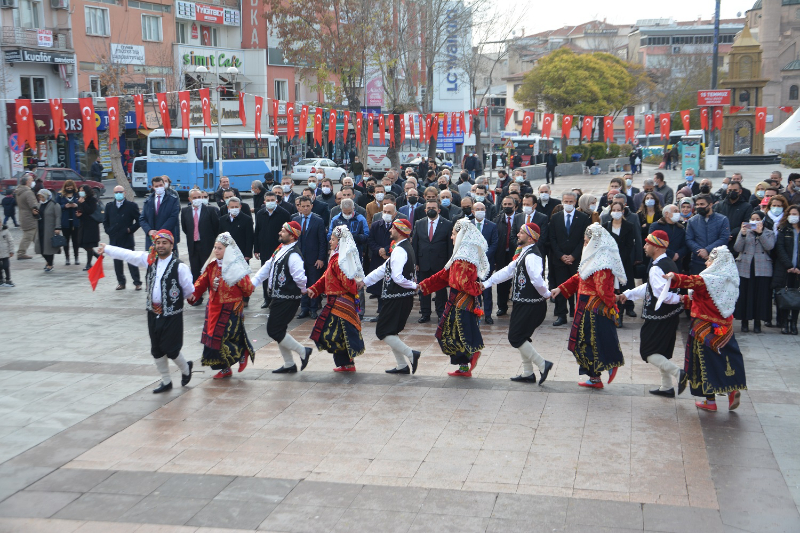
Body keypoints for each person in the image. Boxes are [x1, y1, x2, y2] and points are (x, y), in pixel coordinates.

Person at [98, 231, 194, 393]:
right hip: (152, 312)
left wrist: (176, 300)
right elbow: (129, 255)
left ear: (172, 245)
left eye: (164, 243)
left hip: (172, 314)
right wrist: (107, 249)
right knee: (156, 349)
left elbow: (189, 290)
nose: (161, 246)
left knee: (171, 348)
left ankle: (186, 369)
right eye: (158, 243)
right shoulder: (150, 260)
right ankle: (166, 381)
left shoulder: (180, 267)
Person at [663, 246, 746, 411]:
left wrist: (674, 277)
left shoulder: (710, 279)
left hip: (704, 329)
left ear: (718, 262)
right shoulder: (730, 279)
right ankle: (731, 389)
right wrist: (683, 299)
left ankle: (710, 402)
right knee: (725, 360)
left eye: (710, 260)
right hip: (724, 329)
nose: (707, 263)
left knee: (704, 365)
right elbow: (707, 300)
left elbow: (693, 281)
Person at [550, 223, 627, 388]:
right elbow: (580, 277)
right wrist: (560, 288)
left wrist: (612, 303)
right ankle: (594, 378)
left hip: (593, 310)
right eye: (584, 242)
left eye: (586, 242)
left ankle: (599, 373)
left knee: (588, 343)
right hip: (585, 305)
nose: (585, 245)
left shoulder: (602, 262)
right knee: (587, 343)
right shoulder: (592, 258)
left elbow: (603, 289)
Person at [482, 223, 554, 383]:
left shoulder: (532, 256)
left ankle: (543, 364)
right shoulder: (523, 253)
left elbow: (536, 279)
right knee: (521, 336)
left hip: (532, 304)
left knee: (515, 337)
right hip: (524, 302)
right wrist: (486, 283)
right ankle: (528, 372)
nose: (518, 235)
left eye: (521, 233)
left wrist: (547, 293)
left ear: (530, 237)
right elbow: (508, 271)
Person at [619, 231, 687, 397]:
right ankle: (666, 386)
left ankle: (679, 374)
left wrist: (681, 298)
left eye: (648, 243)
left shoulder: (657, 268)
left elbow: (661, 295)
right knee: (661, 351)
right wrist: (627, 294)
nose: (644, 246)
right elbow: (650, 287)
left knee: (648, 353)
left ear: (656, 247)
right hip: (670, 316)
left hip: (658, 317)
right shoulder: (668, 263)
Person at [419, 219, 487, 377]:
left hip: (460, 302)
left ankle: (470, 356)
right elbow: (445, 275)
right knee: (455, 334)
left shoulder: (463, 257)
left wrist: (477, 287)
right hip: (461, 300)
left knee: (448, 334)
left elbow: (462, 282)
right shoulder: (463, 254)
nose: (451, 237)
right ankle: (464, 367)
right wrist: (423, 285)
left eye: (453, 234)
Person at [189, 232, 255, 379]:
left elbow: (248, 289)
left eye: (220, 248)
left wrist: (238, 288)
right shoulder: (211, 266)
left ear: (228, 250)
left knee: (227, 339)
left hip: (230, 308)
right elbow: (201, 282)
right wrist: (192, 294)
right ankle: (225, 368)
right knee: (212, 340)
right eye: (215, 248)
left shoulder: (236, 267)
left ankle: (241, 353)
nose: (216, 251)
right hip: (213, 307)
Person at [360, 219, 422, 373]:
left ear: (400, 231)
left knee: (382, 331)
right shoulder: (402, 248)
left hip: (397, 297)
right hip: (398, 297)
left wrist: (414, 286)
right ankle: (402, 365)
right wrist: (364, 281)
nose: (390, 231)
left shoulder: (401, 250)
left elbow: (397, 277)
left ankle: (411, 354)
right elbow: (384, 269)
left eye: (393, 228)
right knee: (390, 331)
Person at [251, 222, 313, 373]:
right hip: (279, 296)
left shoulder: (293, 255)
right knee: (280, 330)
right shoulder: (281, 249)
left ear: (292, 236)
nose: (280, 233)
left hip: (288, 298)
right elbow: (267, 266)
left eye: (283, 231)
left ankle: (303, 351)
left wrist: (304, 290)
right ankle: (289, 364)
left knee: (274, 330)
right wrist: (253, 283)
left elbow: (300, 277)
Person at [307, 226, 366, 371]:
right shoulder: (337, 258)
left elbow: (347, 281)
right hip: (336, 300)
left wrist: (353, 290)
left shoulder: (340, 261)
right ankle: (347, 363)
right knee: (340, 333)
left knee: (336, 333)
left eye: (333, 239)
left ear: (340, 242)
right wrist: (314, 288)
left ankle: (347, 363)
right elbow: (326, 277)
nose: (330, 242)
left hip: (339, 300)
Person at [549, 192, 591, 325]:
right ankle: (561, 314)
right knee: (560, 287)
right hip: (560, 260)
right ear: (562, 202)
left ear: (575, 202)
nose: (568, 204)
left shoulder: (583, 218)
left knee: (577, 287)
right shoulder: (555, 218)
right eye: (566, 201)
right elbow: (552, 239)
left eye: (571, 201)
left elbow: (583, 240)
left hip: (576, 259)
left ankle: (576, 312)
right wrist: (561, 256)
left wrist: (573, 255)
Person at [734, 211, 775, 333]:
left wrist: (760, 233)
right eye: (752, 219)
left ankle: (757, 322)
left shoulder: (769, 233)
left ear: (762, 220)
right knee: (745, 295)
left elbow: (769, 247)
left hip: (762, 267)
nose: (754, 221)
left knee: (760, 296)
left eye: (757, 219)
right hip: (745, 266)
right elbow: (737, 248)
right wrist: (742, 234)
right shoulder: (745, 232)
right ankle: (744, 322)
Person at [413, 199, 454, 322]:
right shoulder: (419, 223)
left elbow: (450, 246)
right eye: (429, 208)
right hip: (423, 262)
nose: (431, 210)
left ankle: (441, 313)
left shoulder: (447, 224)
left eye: (434, 208)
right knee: (424, 289)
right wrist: (416, 262)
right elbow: (415, 243)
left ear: (439, 210)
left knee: (440, 291)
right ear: (425, 210)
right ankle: (425, 314)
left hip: (440, 263)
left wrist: (448, 264)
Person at [254, 191, 292, 308]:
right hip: (265, 248)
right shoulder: (260, 214)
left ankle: (279, 297)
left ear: (276, 201)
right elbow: (257, 231)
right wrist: (256, 249)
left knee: (279, 273)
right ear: (264, 202)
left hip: (279, 248)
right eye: (268, 200)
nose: (270, 202)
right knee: (266, 273)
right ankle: (267, 298)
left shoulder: (284, 213)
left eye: (272, 200)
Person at [603, 202, 637, 327]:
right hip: (609, 263)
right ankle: (610, 314)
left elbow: (630, 246)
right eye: (614, 209)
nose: (616, 212)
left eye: (619, 210)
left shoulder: (629, 226)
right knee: (611, 288)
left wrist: (619, 258)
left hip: (624, 262)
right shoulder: (605, 226)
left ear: (623, 211)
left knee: (623, 288)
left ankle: (620, 315)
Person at [294, 196, 327, 319]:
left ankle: (313, 308)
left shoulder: (318, 221)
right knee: (302, 283)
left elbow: (322, 241)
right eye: (303, 206)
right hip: (299, 258)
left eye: (308, 206)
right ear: (299, 207)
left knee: (313, 283)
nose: (306, 208)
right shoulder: (295, 219)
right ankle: (304, 308)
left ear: (311, 206)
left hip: (313, 259)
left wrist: (321, 258)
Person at [104, 186, 142, 290]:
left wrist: (130, 229)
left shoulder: (131, 206)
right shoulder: (109, 206)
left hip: (127, 238)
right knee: (117, 262)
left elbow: (140, 220)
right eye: (116, 192)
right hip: (114, 238)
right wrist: (108, 230)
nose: (118, 194)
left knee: (132, 261)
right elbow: (105, 221)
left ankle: (137, 282)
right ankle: (121, 282)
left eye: (120, 192)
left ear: (124, 193)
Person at [686, 195, 730, 274]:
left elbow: (724, 238)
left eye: (702, 204)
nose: (699, 207)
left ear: (710, 205)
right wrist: (701, 252)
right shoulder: (692, 221)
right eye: (697, 204)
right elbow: (689, 239)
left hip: (717, 262)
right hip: (697, 261)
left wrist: (708, 250)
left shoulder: (722, 219)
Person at [774, 205, 800, 335]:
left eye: (795, 214)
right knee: (785, 295)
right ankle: (784, 323)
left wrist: (798, 268)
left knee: (796, 296)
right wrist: (789, 266)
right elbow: (780, 248)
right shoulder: (784, 229)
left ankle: (794, 323)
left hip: (798, 271)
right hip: (785, 269)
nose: (793, 216)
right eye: (791, 214)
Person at [141, 176, 180, 251]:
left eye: (161, 185)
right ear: (153, 187)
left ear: (164, 185)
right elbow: (142, 218)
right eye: (156, 186)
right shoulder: (148, 200)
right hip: (152, 241)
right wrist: (149, 230)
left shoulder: (173, 199)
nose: (159, 187)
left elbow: (173, 217)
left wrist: (161, 232)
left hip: (167, 238)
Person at [714, 181, 754, 252]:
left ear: (740, 191)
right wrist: (724, 234)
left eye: (735, 190)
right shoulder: (720, 205)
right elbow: (714, 221)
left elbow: (748, 224)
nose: (732, 192)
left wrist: (732, 234)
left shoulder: (747, 206)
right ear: (727, 191)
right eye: (730, 190)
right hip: (720, 241)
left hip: (738, 241)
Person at [34, 189, 62, 272]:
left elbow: (58, 217)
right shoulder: (39, 205)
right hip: (40, 228)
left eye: (42, 197)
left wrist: (57, 227)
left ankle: (50, 264)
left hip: (49, 229)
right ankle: (48, 261)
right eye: (40, 197)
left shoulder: (54, 205)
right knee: (41, 248)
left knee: (49, 248)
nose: (41, 199)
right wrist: (35, 214)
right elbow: (38, 216)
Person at [56, 180, 82, 266]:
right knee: (66, 241)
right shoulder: (60, 195)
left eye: (71, 188)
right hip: (65, 222)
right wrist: (64, 206)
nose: (69, 189)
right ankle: (67, 258)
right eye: (68, 188)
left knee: (76, 241)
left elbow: (82, 205)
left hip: (75, 221)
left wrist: (76, 205)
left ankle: (76, 257)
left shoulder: (77, 195)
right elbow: (56, 206)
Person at [76, 185, 101, 271]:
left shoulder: (92, 199)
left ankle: (88, 264)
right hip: (83, 224)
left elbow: (90, 210)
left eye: (82, 190)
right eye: (80, 190)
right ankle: (96, 255)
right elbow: (80, 210)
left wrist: (83, 203)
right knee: (82, 244)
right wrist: (78, 214)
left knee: (89, 245)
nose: (80, 192)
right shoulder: (80, 199)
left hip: (91, 225)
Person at [13, 174, 38, 260]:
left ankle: (41, 249)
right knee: (28, 235)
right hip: (29, 217)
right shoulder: (28, 192)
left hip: (23, 216)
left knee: (35, 235)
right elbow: (33, 205)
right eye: (31, 180)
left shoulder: (19, 191)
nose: (32, 182)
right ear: (27, 182)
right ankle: (21, 253)